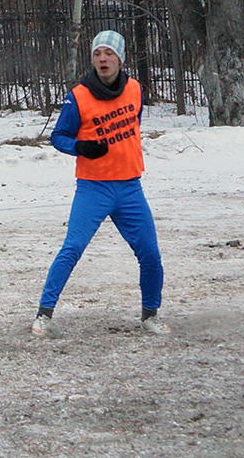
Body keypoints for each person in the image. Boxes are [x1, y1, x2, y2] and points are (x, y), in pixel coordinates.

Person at [31, 31, 167, 336]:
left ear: (120, 59)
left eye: (108, 53)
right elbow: (58, 137)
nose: (102, 59)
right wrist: (81, 147)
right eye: (97, 54)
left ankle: (150, 314)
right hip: (94, 187)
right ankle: (44, 313)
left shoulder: (135, 89)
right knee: (73, 248)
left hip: (130, 187)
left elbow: (134, 126)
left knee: (149, 253)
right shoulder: (78, 95)